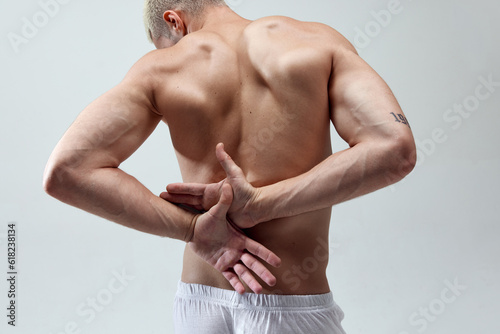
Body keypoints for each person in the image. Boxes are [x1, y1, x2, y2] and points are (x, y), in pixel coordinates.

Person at [43, 0, 416, 333]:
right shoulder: (316, 43)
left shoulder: (159, 69)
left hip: (198, 303)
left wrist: (194, 229)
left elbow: (67, 170)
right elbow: (394, 148)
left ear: (174, 21)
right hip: (289, 303)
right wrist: (262, 204)